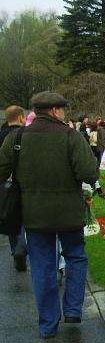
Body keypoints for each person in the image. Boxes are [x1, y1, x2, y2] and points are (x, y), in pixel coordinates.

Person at [0, 92, 97, 338]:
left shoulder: (17, 137)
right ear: (55, 111)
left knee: (43, 266)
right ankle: (73, 309)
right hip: (68, 213)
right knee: (75, 256)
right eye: (62, 109)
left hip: (34, 214)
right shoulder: (71, 137)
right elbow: (89, 173)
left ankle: (48, 324)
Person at [0, 105, 27, 271]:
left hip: (5, 183)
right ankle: (21, 248)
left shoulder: (1, 133)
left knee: (9, 215)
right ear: (21, 117)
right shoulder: (23, 135)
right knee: (24, 217)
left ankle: (13, 249)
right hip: (21, 182)